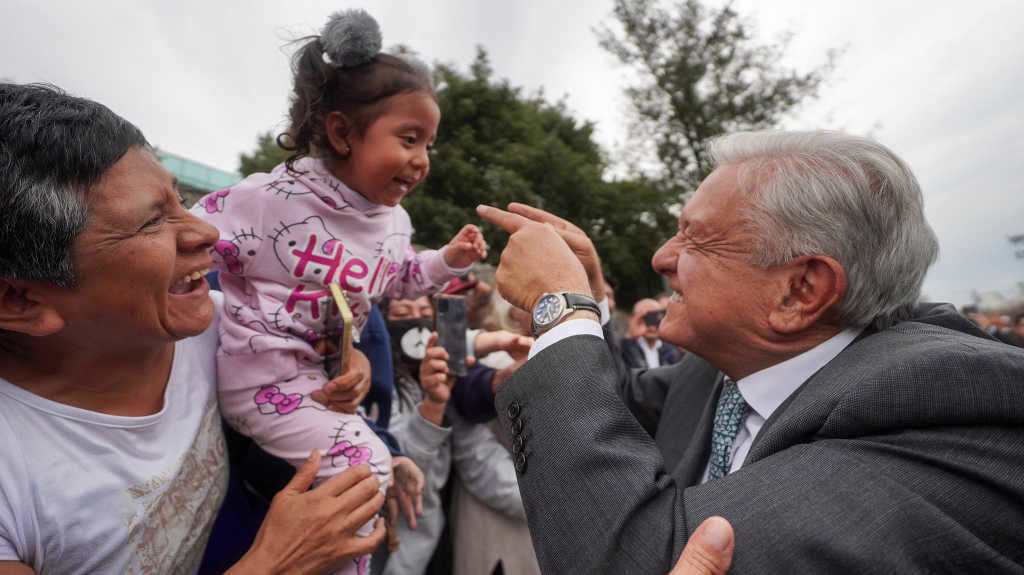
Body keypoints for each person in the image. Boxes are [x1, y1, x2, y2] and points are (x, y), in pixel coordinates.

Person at [478, 130, 1024, 572]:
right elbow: (614, 409)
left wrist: (558, 307)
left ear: (799, 291)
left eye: (695, 238)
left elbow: (644, 558)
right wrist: (589, 304)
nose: (661, 257)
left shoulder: (939, 405)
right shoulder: (724, 370)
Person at [0, 83, 388, 574]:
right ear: (20, 298)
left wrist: (345, 377)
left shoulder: (226, 328)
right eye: (150, 223)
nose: (206, 232)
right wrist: (274, 564)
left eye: (179, 199)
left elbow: (323, 374)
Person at [191, 11, 485, 573]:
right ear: (342, 132)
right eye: (409, 138)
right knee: (365, 473)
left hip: (321, 389)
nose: (422, 160)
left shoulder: (392, 223)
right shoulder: (273, 199)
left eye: (429, 144)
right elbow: (185, 239)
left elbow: (400, 277)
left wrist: (449, 259)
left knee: (371, 472)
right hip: (263, 383)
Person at [620, 298, 681, 369]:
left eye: (656, 318)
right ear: (632, 319)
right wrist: (629, 337)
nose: (651, 327)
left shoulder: (671, 350)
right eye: (645, 319)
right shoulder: (622, 349)